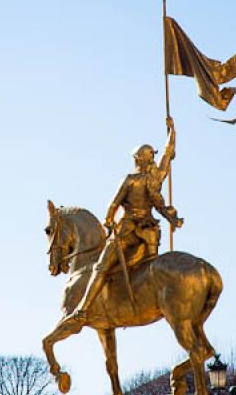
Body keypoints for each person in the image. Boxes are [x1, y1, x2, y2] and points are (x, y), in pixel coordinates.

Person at [72, 118, 183, 321]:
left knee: (101, 266)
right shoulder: (157, 177)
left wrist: (108, 220)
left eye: (136, 157)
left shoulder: (130, 180)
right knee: (151, 265)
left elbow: (113, 204)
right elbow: (168, 154)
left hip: (127, 231)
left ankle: (84, 308)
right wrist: (172, 132)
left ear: (139, 159)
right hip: (150, 233)